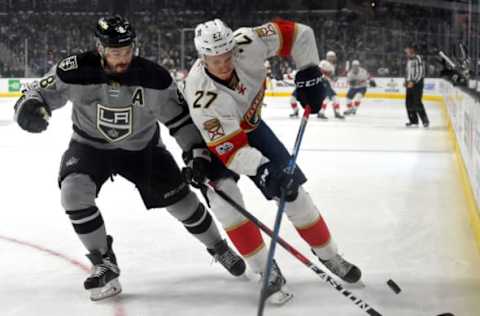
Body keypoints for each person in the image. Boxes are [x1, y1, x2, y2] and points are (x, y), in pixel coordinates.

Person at [13, 15, 245, 301]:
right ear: (99, 47)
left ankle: (219, 247)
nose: (123, 58)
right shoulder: (74, 70)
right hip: (89, 146)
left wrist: (195, 154)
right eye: (115, 52)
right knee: (72, 193)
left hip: (143, 149)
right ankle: (104, 261)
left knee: (182, 202)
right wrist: (29, 107)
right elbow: (36, 92)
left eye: (127, 50)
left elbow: (181, 121)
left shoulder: (155, 78)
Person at [182, 19, 362, 297]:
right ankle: (265, 269)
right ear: (202, 56)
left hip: (254, 129)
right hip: (218, 144)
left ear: (234, 47)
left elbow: (301, 34)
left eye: (227, 56)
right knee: (225, 201)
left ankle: (329, 255)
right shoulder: (200, 93)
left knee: (293, 193)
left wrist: (309, 71)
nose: (223, 65)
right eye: (214, 60)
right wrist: (264, 170)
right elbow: (232, 150)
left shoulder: (248, 42)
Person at [404, 43, 429, 127]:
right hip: (410, 83)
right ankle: (413, 121)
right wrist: (406, 81)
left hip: (417, 84)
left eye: (407, 49)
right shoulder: (409, 60)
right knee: (408, 103)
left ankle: (425, 121)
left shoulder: (418, 58)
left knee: (417, 102)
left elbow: (420, 72)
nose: (406, 51)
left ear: (412, 50)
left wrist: (413, 82)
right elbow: (408, 72)